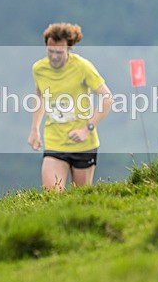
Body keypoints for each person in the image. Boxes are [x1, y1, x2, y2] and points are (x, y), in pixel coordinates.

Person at [27, 23, 113, 191]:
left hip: (83, 144)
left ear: (68, 49)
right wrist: (35, 129)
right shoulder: (39, 69)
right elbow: (40, 97)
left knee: (79, 198)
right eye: (50, 52)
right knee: (51, 195)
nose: (54, 57)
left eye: (59, 52)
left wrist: (87, 129)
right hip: (55, 141)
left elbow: (107, 99)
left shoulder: (82, 67)